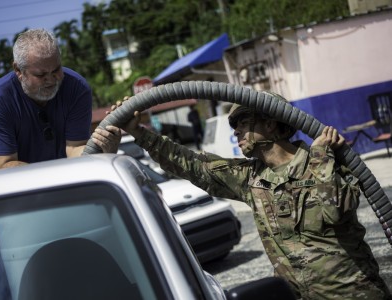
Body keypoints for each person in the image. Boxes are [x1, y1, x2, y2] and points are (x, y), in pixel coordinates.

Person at [116, 92, 392, 300]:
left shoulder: (324, 163)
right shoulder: (251, 179)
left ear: (271, 124)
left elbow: (336, 212)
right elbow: (191, 164)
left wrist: (321, 156)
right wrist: (138, 133)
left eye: (244, 122)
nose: (236, 131)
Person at [0, 28, 120, 169]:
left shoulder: (76, 88)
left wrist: (103, 150)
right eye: (41, 75)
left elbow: (74, 148)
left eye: (56, 70)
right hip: (24, 187)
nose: (51, 80)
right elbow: (4, 164)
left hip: (70, 180)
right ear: (18, 71)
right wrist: (49, 177)